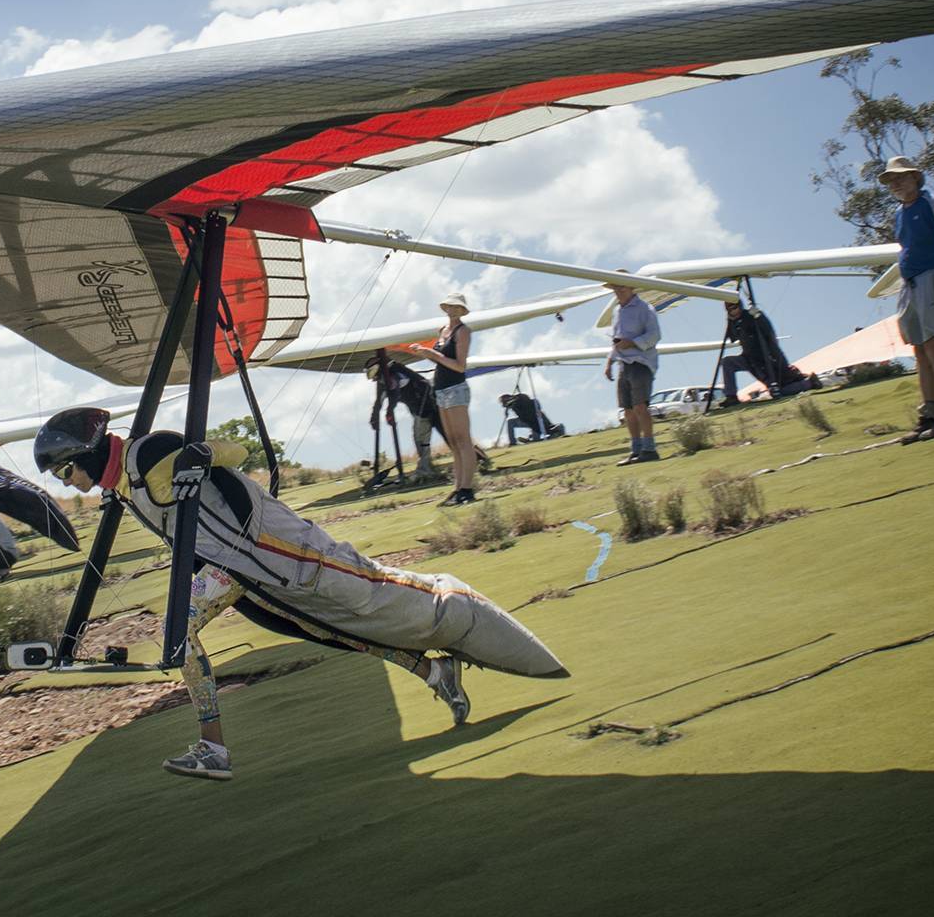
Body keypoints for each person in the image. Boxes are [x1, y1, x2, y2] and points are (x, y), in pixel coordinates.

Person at [34, 408, 568, 782]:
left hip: (278, 548)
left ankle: (213, 747)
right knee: (309, 628)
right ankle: (431, 672)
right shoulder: (126, 486)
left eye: (65, 470)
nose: (67, 482)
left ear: (85, 453)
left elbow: (233, 453)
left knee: (358, 604)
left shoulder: (150, 452)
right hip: (240, 568)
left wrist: (202, 455)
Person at [881, 157, 934, 441]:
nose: (896, 183)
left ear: (916, 177)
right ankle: (929, 413)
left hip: (932, 277)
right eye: (892, 180)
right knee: (919, 348)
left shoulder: (932, 203)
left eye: (901, 177)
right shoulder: (899, 213)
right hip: (910, 284)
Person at [408, 291, 478, 505]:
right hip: (440, 389)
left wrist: (432, 354)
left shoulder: (463, 331)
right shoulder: (442, 331)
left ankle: (467, 489)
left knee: (463, 440)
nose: (452, 309)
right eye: (450, 306)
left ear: (462, 310)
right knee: (454, 442)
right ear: (445, 308)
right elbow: (441, 361)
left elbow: (459, 365)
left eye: (457, 307)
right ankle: (458, 489)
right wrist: (425, 353)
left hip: (455, 388)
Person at [604, 277, 662, 464]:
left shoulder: (645, 309)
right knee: (628, 410)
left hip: (641, 362)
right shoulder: (616, 312)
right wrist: (609, 361)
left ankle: (649, 448)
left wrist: (633, 343)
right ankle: (636, 449)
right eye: (615, 287)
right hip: (623, 363)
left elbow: (654, 335)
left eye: (621, 286)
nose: (618, 290)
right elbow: (616, 339)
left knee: (640, 407)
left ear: (630, 287)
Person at [718, 298, 816, 403]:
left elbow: (768, 331)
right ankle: (731, 396)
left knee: (779, 391)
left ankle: (810, 383)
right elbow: (732, 337)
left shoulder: (750, 316)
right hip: (749, 359)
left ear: (740, 306)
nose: (732, 311)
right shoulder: (735, 322)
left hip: (766, 359)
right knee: (727, 362)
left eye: (734, 307)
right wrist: (730, 320)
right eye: (729, 309)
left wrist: (759, 316)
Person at [367, 350, 443, 479]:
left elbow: (395, 391)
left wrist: (390, 410)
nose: (375, 379)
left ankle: (425, 471)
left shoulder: (394, 372)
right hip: (418, 409)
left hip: (428, 404)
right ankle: (427, 468)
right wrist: (374, 417)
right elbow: (379, 400)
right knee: (420, 438)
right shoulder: (384, 379)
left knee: (424, 438)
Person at [498, 391, 562, 445]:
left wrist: (512, 401)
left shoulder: (520, 397)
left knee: (536, 435)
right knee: (510, 422)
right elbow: (507, 405)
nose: (504, 404)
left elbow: (529, 400)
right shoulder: (511, 405)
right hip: (526, 421)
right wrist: (506, 410)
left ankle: (535, 438)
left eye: (504, 402)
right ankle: (513, 443)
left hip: (535, 421)